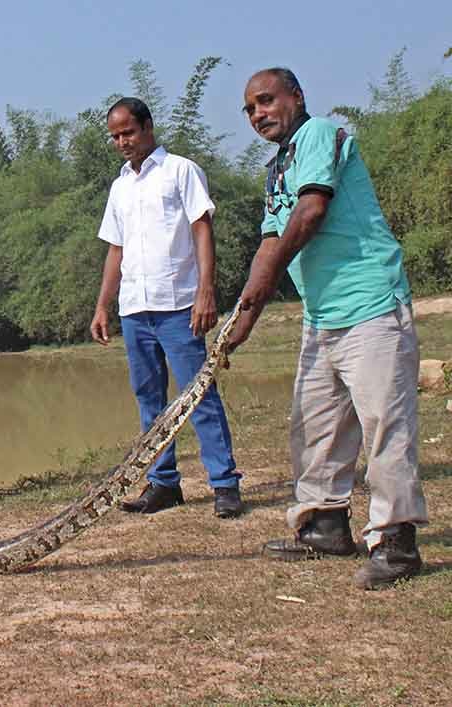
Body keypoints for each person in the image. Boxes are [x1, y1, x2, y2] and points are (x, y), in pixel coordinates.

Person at [228, 68, 428, 589]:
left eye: (266, 101)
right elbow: (271, 243)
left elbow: (312, 210)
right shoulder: (276, 169)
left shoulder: (317, 134)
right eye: (250, 109)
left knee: (386, 427)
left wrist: (266, 281)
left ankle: (397, 542)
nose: (258, 114)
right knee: (314, 427)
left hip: (370, 306)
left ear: (296, 96)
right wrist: (242, 319)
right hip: (322, 318)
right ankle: (323, 526)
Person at [90, 97, 243, 519]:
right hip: (135, 309)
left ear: (148, 127)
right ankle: (162, 482)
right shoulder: (120, 186)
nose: (122, 142)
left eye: (128, 132)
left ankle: (225, 484)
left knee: (199, 394)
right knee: (149, 399)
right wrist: (103, 305)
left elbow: (202, 229)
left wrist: (206, 291)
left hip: (179, 305)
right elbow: (115, 249)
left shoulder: (180, 171)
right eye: (115, 136)